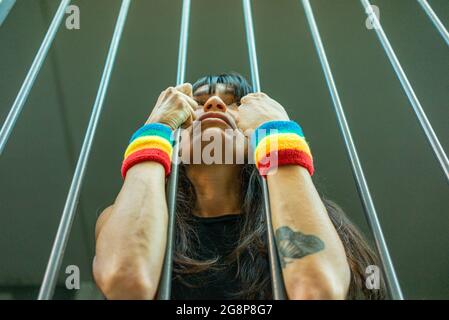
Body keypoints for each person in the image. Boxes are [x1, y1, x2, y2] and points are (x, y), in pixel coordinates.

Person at [93, 72, 384, 300]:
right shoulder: (118, 217)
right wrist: (155, 128)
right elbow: (126, 281)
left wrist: (276, 133)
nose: (214, 104)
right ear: (175, 136)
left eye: (234, 103)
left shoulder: (324, 218)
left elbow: (318, 290)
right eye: (196, 103)